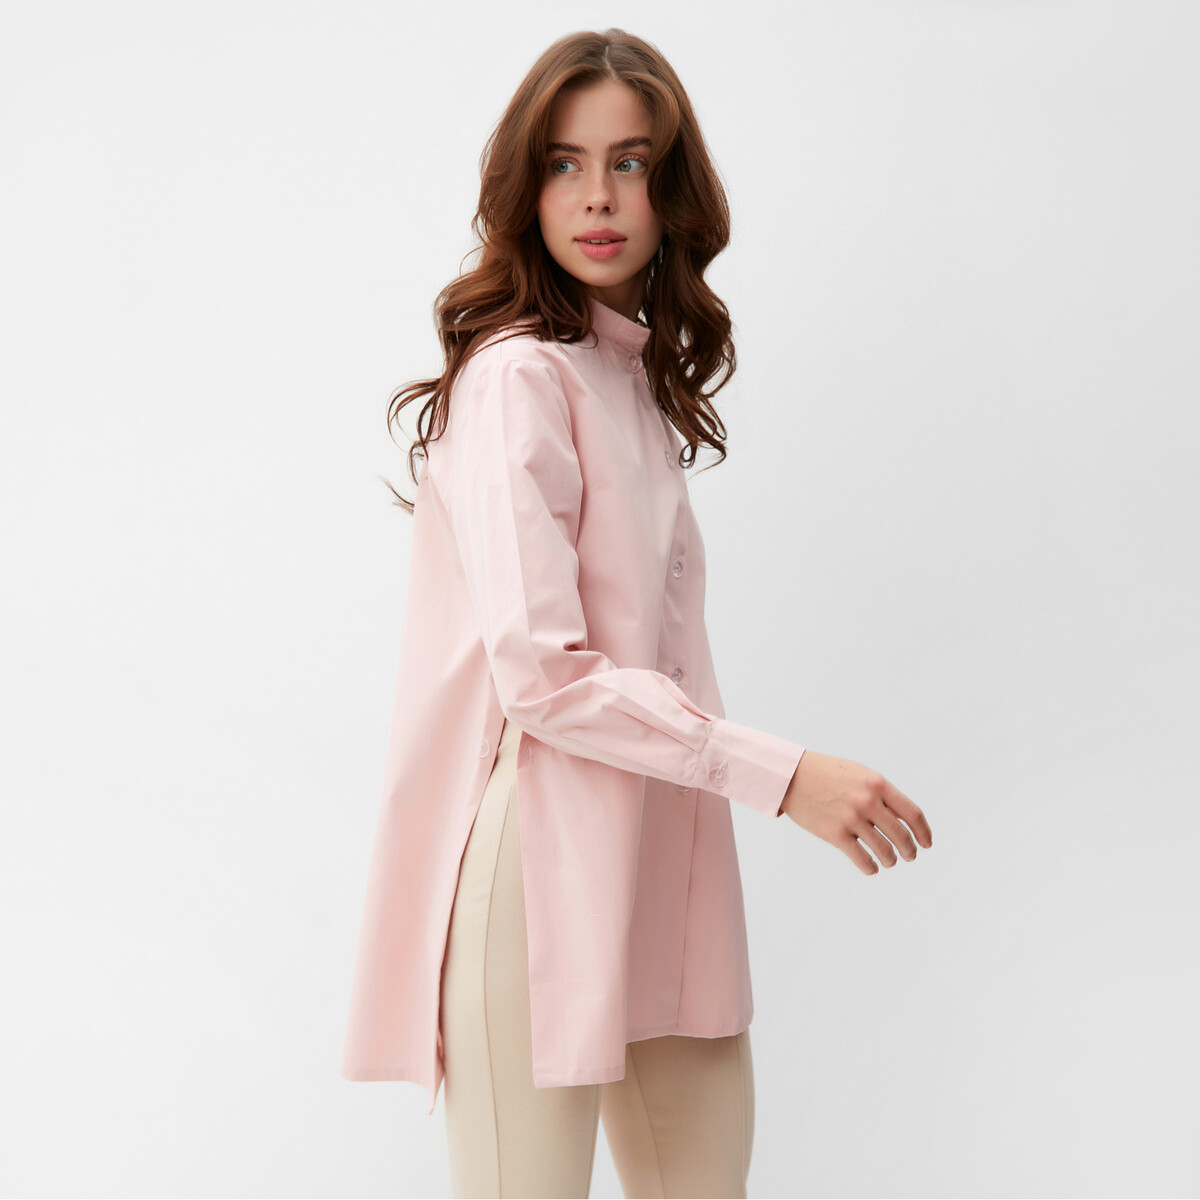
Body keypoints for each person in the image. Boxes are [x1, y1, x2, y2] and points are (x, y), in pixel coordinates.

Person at [341, 27, 933, 1199]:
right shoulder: (518, 377)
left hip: (669, 850)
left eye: (631, 163)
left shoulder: (628, 377)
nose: (598, 197)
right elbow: (543, 679)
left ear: (673, 192)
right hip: (542, 861)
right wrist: (785, 775)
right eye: (564, 163)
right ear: (526, 188)